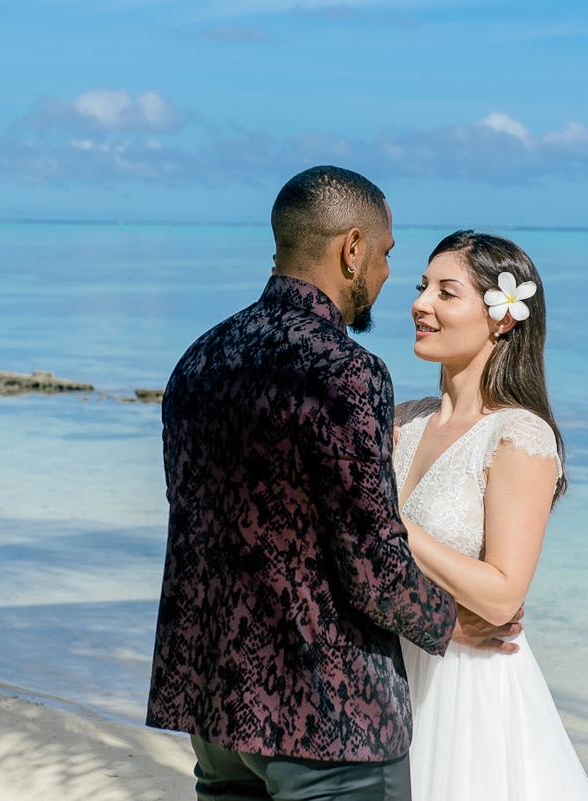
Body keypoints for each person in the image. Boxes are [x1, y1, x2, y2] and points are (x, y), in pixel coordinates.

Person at [145, 167, 515, 801]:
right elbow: (370, 557)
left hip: (214, 705)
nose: (388, 277)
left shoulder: (198, 359)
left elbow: (197, 525)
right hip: (324, 715)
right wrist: (450, 622)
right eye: (388, 255)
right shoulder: (345, 372)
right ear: (351, 250)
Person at [395, 231, 588, 800]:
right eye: (422, 287)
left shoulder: (518, 435)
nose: (421, 303)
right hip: (392, 666)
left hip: (468, 683)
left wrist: (396, 530)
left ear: (503, 319)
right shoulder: (401, 421)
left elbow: (504, 595)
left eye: (446, 292)